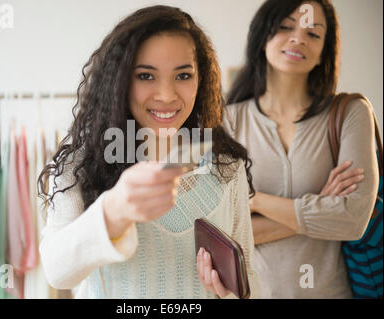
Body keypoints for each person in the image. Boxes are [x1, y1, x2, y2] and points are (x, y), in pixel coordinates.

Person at [37, 5, 260, 299]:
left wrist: (228, 295)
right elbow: (57, 271)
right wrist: (114, 208)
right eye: (146, 76)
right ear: (120, 81)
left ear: (201, 80)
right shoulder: (80, 165)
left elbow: (250, 283)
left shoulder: (225, 167)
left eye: (183, 76)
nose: (167, 95)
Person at [223, 0, 379, 298]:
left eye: (313, 34)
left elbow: (353, 221)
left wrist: (253, 201)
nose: (298, 38)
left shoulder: (350, 113)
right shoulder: (227, 120)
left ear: (324, 52)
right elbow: (224, 231)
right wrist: (322, 205)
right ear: (262, 38)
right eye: (285, 27)